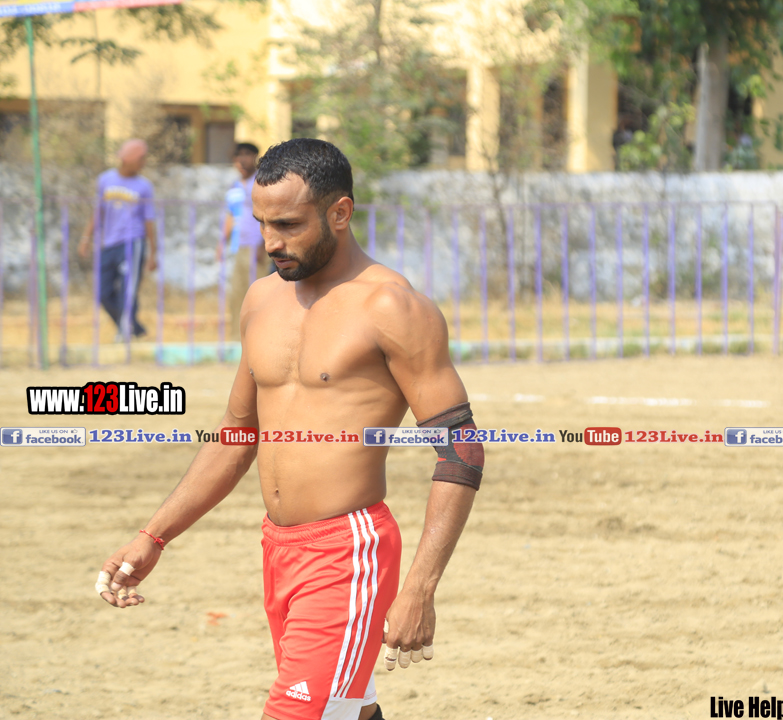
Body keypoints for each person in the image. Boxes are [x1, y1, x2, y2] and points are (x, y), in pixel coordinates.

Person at [95, 138, 485, 720]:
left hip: (347, 554)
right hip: (278, 550)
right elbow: (236, 435)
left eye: (287, 224)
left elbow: (461, 451)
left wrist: (421, 585)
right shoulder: (260, 300)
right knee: (346, 711)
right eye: (261, 224)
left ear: (340, 212)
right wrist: (154, 536)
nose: (270, 241)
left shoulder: (393, 307)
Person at [78, 138, 158, 340]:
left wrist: (153, 253)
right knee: (102, 292)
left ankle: (124, 332)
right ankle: (134, 327)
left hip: (133, 242)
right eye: (140, 158)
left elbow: (149, 221)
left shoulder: (144, 186)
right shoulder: (105, 180)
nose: (143, 163)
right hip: (109, 243)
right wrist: (86, 238)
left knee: (127, 290)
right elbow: (98, 211)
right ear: (128, 159)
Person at [217, 142, 272, 339]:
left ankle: (259, 338)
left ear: (255, 157)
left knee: (259, 296)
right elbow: (230, 216)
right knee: (238, 294)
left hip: (258, 248)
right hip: (239, 247)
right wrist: (221, 243)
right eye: (238, 155)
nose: (242, 159)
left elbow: (268, 214)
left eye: (247, 154)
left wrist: (263, 244)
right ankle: (236, 339)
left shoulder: (262, 183)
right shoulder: (234, 187)